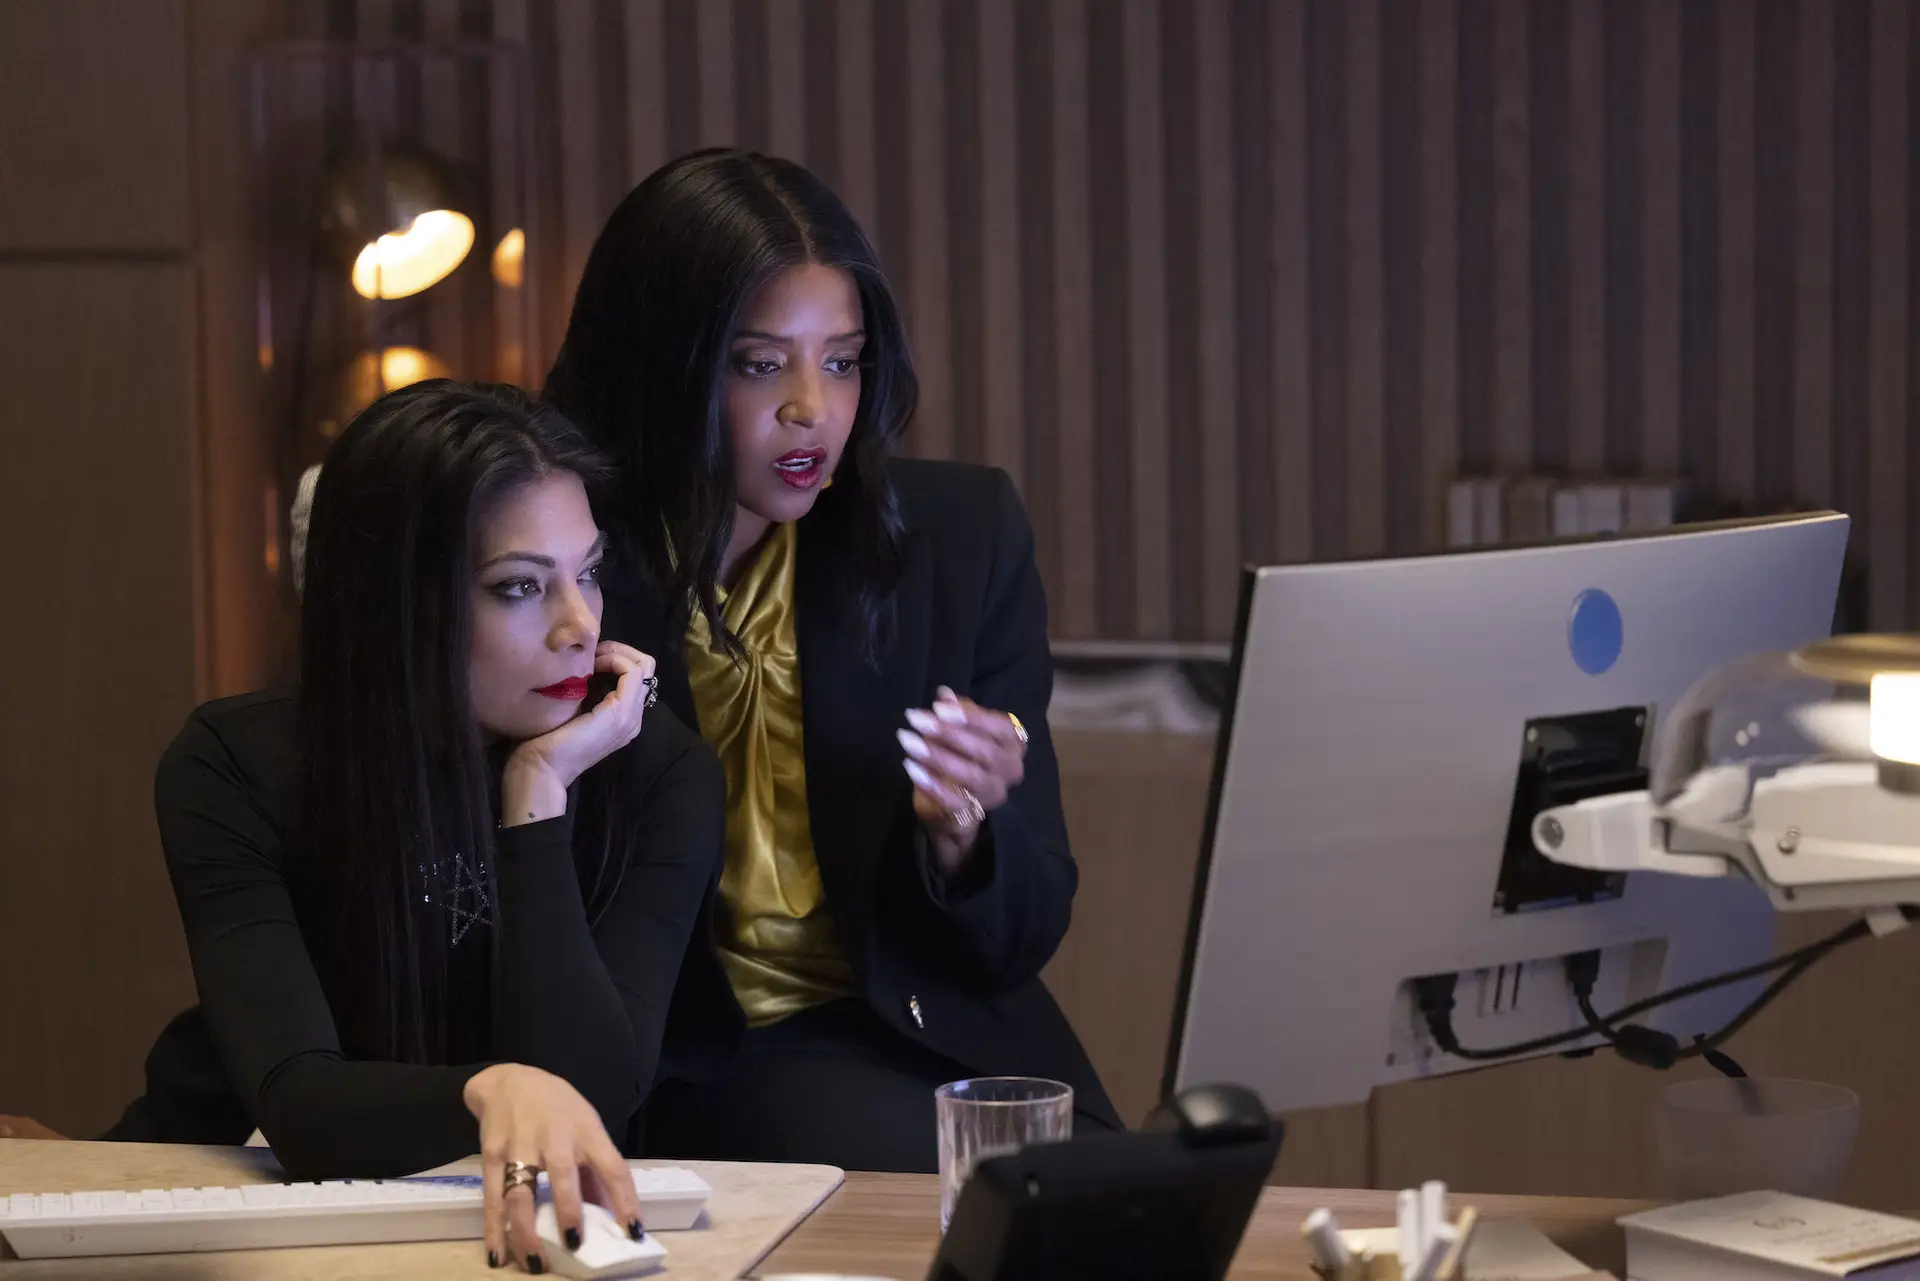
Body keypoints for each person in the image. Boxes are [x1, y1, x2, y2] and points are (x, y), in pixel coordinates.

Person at [544, 147, 1121, 1173]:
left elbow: (1020, 939)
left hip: (936, 1042)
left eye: (843, 359)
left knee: (1148, 1206)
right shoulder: (556, 567)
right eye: (761, 363)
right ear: (659, 363)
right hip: (702, 1060)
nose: (815, 409)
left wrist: (965, 834)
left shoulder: (957, 538)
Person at [83, 382, 730, 1274]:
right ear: (395, 601)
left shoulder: (661, 776)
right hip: (236, 1198)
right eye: (520, 587)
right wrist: (489, 1088)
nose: (580, 627)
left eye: (586, 572)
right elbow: (299, 1105)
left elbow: (591, 1101)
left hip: (537, 1231)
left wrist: (536, 790)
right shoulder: (235, 765)